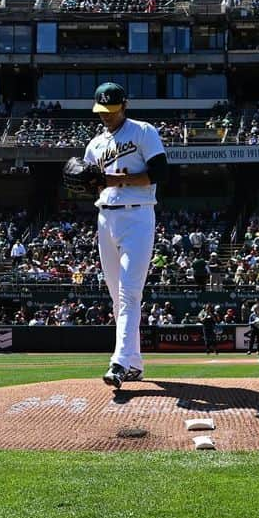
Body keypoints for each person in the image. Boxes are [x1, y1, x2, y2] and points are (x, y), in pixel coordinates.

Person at [84, 82, 167, 388]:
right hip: (105, 217)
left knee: (129, 293)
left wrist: (118, 179)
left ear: (124, 105)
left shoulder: (143, 131)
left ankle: (118, 362)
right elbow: (94, 183)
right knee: (117, 297)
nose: (106, 116)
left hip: (138, 214)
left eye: (111, 110)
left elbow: (160, 172)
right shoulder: (94, 144)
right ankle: (134, 364)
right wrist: (84, 181)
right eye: (102, 111)